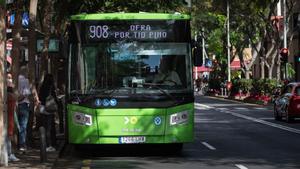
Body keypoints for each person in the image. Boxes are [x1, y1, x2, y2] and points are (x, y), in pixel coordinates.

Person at [38, 74, 58, 152]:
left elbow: (40, 97)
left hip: (43, 109)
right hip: (49, 109)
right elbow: (55, 98)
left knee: (44, 126)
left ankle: (44, 144)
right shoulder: (51, 87)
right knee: (49, 128)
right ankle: (50, 145)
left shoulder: (42, 87)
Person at [6, 73, 20, 162]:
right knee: (8, 137)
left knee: (8, 137)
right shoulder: (11, 96)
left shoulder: (8, 96)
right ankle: (9, 154)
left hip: (9, 118)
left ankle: (9, 153)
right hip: (8, 118)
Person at [17, 66, 31, 152]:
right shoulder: (25, 80)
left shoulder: (15, 79)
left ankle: (17, 144)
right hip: (23, 104)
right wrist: (19, 99)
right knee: (23, 126)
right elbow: (26, 94)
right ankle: (22, 144)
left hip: (14, 104)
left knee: (16, 125)